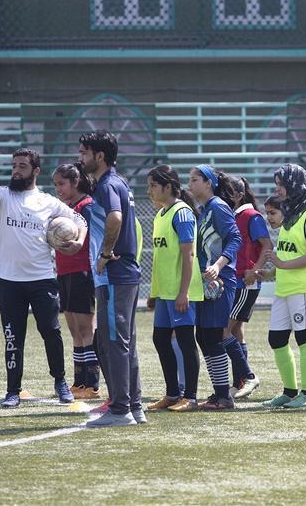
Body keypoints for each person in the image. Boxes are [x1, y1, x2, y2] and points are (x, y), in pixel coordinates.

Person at [0, 148, 85, 409]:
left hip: (42, 279)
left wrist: (79, 241)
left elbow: (79, 219)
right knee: (13, 337)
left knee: (51, 332)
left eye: (22, 166)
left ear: (35, 171)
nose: (16, 170)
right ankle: (12, 391)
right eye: (14, 165)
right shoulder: (4, 196)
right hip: (9, 281)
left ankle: (60, 382)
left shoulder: (48, 202)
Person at [79, 131, 146, 427]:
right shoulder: (119, 182)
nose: (81, 158)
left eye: (84, 152)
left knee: (113, 343)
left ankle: (120, 410)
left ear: (100, 156)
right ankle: (134, 406)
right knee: (124, 343)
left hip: (114, 275)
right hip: (124, 275)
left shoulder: (107, 184)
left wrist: (105, 253)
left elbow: (115, 218)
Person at [260, 165, 306, 409]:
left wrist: (282, 264)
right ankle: (289, 392)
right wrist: (270, 272)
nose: (278, 189)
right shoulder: (291, 214)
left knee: (304, 338)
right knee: (276, 338)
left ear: (295, 185)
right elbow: (289, 252)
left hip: (304, 287)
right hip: (285, 287)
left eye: (281, 184)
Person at [144, 166, 204, 413]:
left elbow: (189, 254)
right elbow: (162, 258)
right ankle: (172, 394)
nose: (149, 191)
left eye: (153, 186)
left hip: (180, 291)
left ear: (168, 187)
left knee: (186, 341)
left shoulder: (182, 213)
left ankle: (190, 397)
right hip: (165, 292)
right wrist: (154, 292)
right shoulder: (161, 214)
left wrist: (184, 292)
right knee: (160, 339)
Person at [188, 165, 244, 410]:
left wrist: (219, 265)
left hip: (220, 279)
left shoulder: (218, 206)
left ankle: (224, 396)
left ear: (208, 183)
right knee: (203, 335)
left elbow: (235, 238)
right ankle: (219, 393)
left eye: (195, 179)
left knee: (212, 335)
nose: (190, 184)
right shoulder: (205, 209)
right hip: (206, 280)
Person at [52, 163, 99, 399]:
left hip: (82, 271)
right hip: (65, 271)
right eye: (55, 184)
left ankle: (92, 384)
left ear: (75, 182)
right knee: (73, 329)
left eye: (61, 183)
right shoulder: (66, 208)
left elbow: (90, 238)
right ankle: (79, 382)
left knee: (85, 328)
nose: (58, 189)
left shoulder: (86, 206)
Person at [228, 176, 268, 398]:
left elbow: (267, 245)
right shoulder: (233, 215)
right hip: (234, 281)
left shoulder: (252, 216)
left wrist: (255, 270)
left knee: (223, 330)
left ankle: (249, 376)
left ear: (239, 195)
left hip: (245, 283)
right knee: (236, 331)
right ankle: (239, 382)